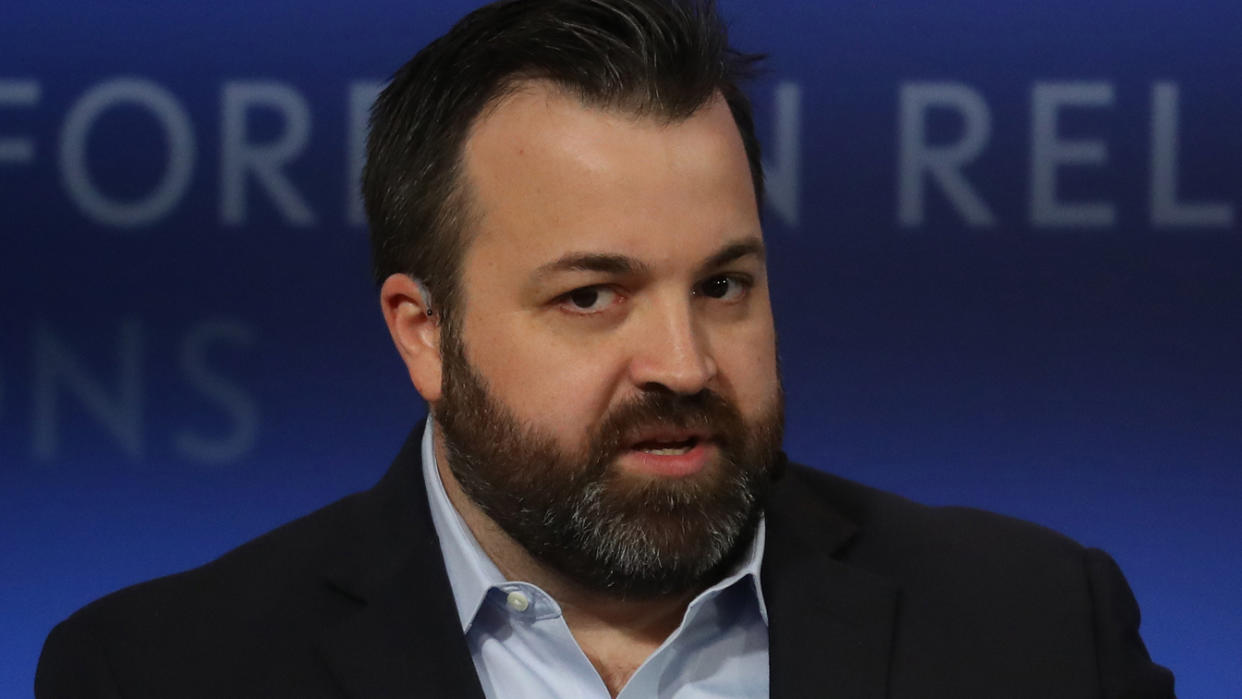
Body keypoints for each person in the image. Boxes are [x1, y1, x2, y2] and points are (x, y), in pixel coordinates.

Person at [36, 1, 1174, 697]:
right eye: (593, 297)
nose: (684, 362)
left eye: (724, 284)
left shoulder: (1036, 630)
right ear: (423, 334)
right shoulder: (161, 672)